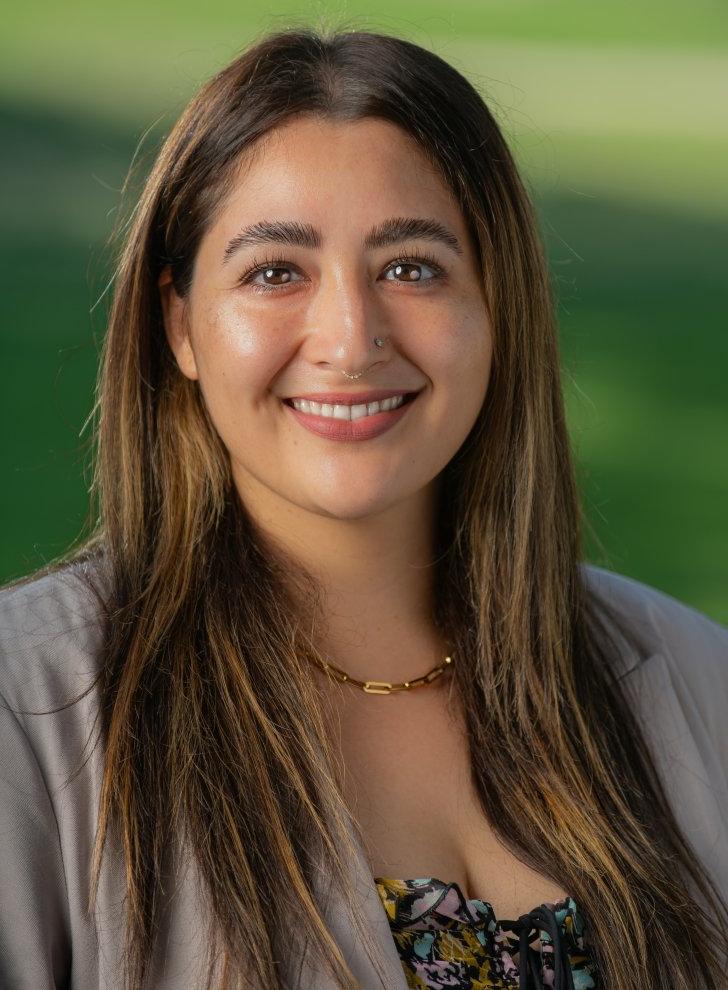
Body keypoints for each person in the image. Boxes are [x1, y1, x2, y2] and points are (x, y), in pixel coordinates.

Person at [1, 24, 727, 990]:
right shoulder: (31, 711)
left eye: (412, 267)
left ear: (496, 306)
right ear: (179, 325)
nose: (349, 339)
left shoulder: (696, 681)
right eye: (274, 272)